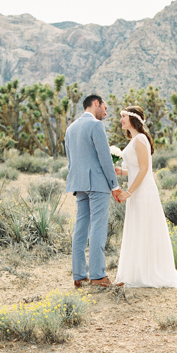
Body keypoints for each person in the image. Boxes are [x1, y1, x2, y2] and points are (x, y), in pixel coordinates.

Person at [114, 106, 177, 288]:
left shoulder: (140, 139)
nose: (120, 119)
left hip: (143, 192)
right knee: (138, 228)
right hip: (137, 190)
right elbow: (137, 168)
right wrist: (121, 172)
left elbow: (145, 169)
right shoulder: (135, 140)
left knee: (145, 228)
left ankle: (149, 273)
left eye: (123, 116)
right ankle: (137, 272)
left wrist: (129, 192)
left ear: (132, 118)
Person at [65, 95, 122, 288]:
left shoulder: (70, 128)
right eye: (105, 107)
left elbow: (70, 160)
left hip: (78, 184)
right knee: (98, 227)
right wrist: (115, 185)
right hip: (97, 184)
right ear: (96, 103)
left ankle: (79, 276)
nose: (106, 112)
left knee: (80, 229)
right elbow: (105, 158)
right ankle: (98, 276)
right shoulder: (96, 126)